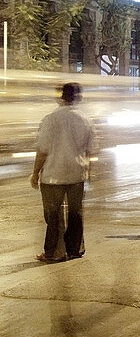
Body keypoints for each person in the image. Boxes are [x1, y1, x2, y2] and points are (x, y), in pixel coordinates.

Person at [30, 82, 96, 262]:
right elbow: (89, 151)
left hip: (53, 175)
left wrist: (35, 173)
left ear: (61, 97)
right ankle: (75, 249)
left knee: (53, 215)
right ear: (79, 98)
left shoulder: (50, 118)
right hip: (77, 174)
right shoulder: (85, 120)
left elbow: (42, 150)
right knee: (76, 213)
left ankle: (55, 252)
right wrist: (88, 171)